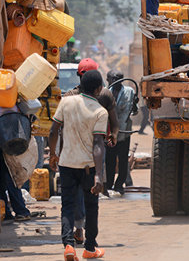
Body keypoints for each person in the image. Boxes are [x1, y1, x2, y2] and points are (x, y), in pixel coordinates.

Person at [49, 70, 108, 260]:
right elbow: (98, 144)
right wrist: (99, 174)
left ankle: (68, 245)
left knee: (67, 205)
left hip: (66, 165)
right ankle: (90, 248)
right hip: (88, 167)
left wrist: (53, 154)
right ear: (99, 89)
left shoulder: (66, 102)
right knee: (91, 206)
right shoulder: (100, 111)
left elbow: (54, 130)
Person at [62, 58, 119, 246]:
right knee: (91, 198)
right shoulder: (103, 97)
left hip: (70, 157)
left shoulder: (68, 98)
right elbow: (113, 123)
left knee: (71, 200)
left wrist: (57, 153)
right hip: (94, 155)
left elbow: (55, 129)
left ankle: (74, 235)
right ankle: (89, 242)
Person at [105, 70, 136, 195]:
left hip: (124, 131)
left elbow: (134, 111)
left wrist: (135, 105)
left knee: (123, 159)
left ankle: (119, 184)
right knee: (110, 159)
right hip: (110, 131)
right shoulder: (106, 92)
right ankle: (109, 184)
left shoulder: (129, 92)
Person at [0, 153, 31, 222]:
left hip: (4, 151)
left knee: (8, 180)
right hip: (4, 150)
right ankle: (8, 212)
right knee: (5, 180)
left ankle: (19, 211)